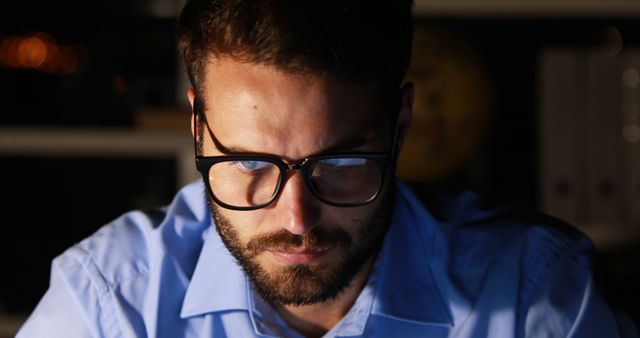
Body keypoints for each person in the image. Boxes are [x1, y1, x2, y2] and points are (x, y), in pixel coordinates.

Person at [17, 0, 637, 337]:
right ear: (199, 128)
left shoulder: (534, 297)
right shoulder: (109, 305)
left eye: (340, 161)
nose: (297, 219)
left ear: (399, 125)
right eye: (251, 162)